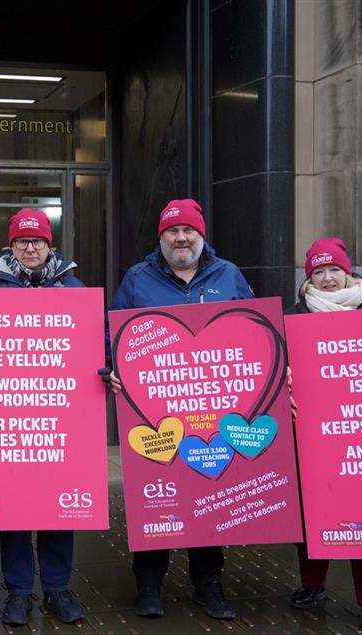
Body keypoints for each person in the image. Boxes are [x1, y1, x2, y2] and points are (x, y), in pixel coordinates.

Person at [107, 198, 251, 620]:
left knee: (209, 494)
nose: (181, 238)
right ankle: (149, 586)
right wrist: (112, 366)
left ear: (201, 235)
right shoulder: (138, 278)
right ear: (161, 237)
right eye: (172, 231)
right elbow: (110, 331)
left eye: (188, 230)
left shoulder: (229, 274)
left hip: (212, 409)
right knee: (156, 497)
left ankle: (209, 585)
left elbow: (254, 327)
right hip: (154, 412)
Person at [0, 209, 87, 626]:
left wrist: (101, 363)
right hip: (10, 417)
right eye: (22, 241)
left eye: (37, 241)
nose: (29, 248)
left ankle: (57, 588)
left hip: (61, 417)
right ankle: (20, 592)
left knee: (59, 506)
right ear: (11, 247)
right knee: (14, 509)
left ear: (49, 245)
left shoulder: (73, 288)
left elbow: (96, 337)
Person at [287, 238, 362, 635]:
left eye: (334, 269)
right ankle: (312, 583)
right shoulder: (292, 320)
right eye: (318, 272)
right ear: (309, 278)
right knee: (311, 515)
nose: (328, 278)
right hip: (312, 434)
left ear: (348, 272)